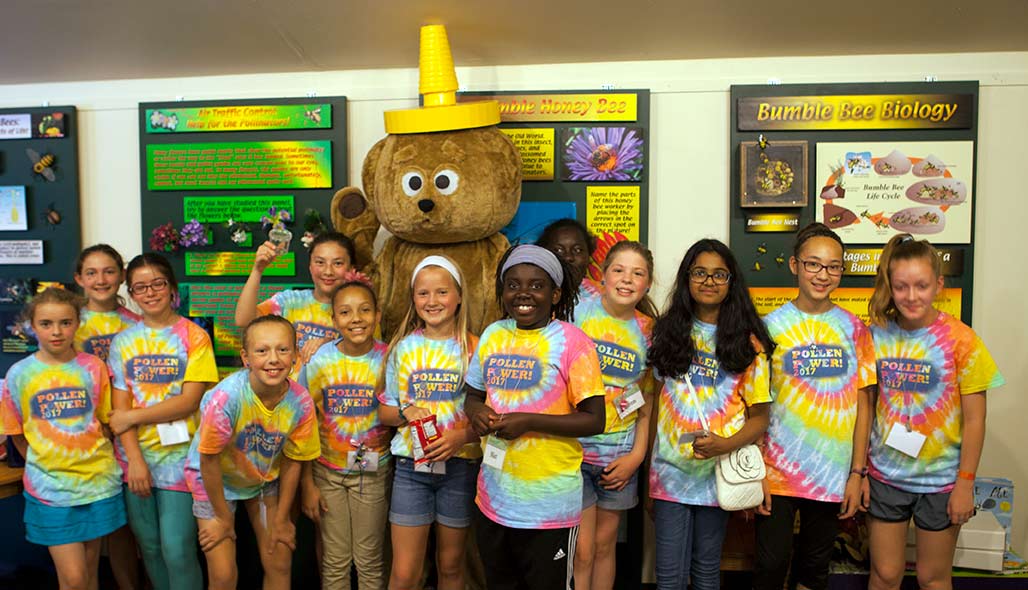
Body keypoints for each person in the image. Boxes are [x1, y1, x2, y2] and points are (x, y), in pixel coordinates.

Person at [864, 234, 1004, 590]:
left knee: (933, 578)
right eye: (902, 286)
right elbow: (865, 406)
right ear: (890, 287)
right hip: (886, 477)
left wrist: (965, 484)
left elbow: (975, 419)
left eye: (922, 286)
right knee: (885, 575)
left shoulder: (962, 340)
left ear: (939, 285)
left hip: (941, 482)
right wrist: (860, 472)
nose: (912, 296)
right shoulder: (876, 335)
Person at [464, 244, 606, 590]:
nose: (523, 293)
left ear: (555, 294)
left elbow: (594, 420)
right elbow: (472, 394)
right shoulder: (493, 335)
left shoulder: (574, 343)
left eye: (536, 285)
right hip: (494, 499)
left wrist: (529, 421)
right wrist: (477, 412)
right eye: (513, 285)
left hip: (549, 508)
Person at [755, 223, 876, 590]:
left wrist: (858, 472)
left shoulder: (855, 329)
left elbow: (864, 404)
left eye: (833, 266)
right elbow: (755, 403)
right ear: (794, 265)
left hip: (832, 471)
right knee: (770, 565)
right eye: (813, 264)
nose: (823, 275)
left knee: (815, 568)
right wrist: (757, 468)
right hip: (777, 471)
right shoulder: (769, 327)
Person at [647, 239, 773, 590]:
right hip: (670, 474)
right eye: (700, 272)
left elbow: (760, 417)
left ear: (732, 282)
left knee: (706, 574)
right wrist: (648, 479)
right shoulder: (667, 332)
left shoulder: (749, 343)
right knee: (668, 578)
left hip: (719, 476)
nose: (709, 281)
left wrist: (725, 445)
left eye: (720, 274)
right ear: (687, 278)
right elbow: (656, 406)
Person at [1, 288, 126, 590]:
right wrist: (46, 461)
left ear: (77, 323)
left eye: (65, 323)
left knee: (91, 571)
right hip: (51, 489)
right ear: (32, 325)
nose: (56, 332)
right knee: (73, 578)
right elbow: (17, 433)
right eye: (46, 324)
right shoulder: (19, 374)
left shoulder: (93, 367)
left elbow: (104, 421)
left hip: (96, 483)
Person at [107, 253, 219, 590]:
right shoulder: (123, 341)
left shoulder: (194, 336)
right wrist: (136, 461)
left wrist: (132, 416)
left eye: (158, 283)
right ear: (131, 293)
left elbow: (189, 401)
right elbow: (118, 413)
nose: (150, 292)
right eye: (140, 287)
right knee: (151, 548)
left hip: (180, 459)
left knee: (177, 549)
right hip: (135, 460)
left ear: (171, 287)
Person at [185, 315, 320, 590]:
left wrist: (281, 519)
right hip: (214, 482)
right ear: (246, 358)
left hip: (262, 480)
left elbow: (294, 461)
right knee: (223, 575)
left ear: (295, 355)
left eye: (283, 349)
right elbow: (208, 461)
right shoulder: (225, 398)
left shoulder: (301, 402)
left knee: (279, 559)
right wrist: (223, 518)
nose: (274, 359)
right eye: (262, 350)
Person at [378, 255, 481, 590]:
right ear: (413, 298)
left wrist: (460, 437)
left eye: (441, 292)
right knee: (405, 573)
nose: (432, 301)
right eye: (423, 293)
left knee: (451, 567)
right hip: (411, 469)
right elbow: (384, 412)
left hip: (460, 469)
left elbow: (489, 416)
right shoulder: (402, 348)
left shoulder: (475, 348)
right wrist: (405, 413)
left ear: (459, 295)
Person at [572, 241, 658, 590]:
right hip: (573, 454)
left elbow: (647, 400)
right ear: (603, 275)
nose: (627, 279)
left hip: (618, 459)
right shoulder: (578, 313)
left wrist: (636, 457)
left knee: (606, 546)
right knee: (582, 549)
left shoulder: (650, 331)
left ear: (648, 284)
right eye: (619, 270)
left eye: (637, 273)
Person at [299, 273, 390, 590]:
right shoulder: (318, 360)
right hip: (327, 473)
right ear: (334, 318)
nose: (356, 319)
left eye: (365, 310)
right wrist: (307, 482)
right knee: (335, 562)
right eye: (346, 311)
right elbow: (302, 423)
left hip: (373, 472)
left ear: (377, 315)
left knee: (369, 561)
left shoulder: (389, 357)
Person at [72, 243, 144, 590]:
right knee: (95, 530)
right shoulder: (70, 323)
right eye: (91, 272)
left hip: (130, 430)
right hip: (87, 435)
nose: (101, 280)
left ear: (122, 276)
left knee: (127, 529)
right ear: (79, 278)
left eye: (109, 271)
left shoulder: (137, 322)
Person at [235, 231, 357, 373]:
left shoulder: (359, 309)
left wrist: (332, 345)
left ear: (351, 268)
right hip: (288, 393)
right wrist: (258, 269)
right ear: (310, 266)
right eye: (320, 262)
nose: (328, 271)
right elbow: (243, 320)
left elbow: (368, 355)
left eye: (337, 263)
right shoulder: (290, 301)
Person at [537, 218, 600, 300]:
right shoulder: (534, 298)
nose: (568, 257)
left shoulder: (605, 301)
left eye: (577, 250)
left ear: (588, 255)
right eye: (559, 250)